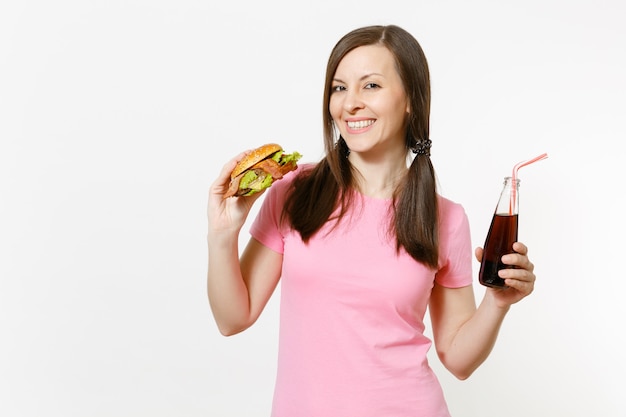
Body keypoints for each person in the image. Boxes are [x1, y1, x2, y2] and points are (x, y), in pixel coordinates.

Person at [207, 24, 536, 417]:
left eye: (371, 86)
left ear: (411, 98)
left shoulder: (445, 219)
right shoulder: (296, 191)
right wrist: (223, 234)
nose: (350, 104)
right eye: (339, 87)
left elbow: (459, 360)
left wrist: (497, 303)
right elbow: (232, 318)